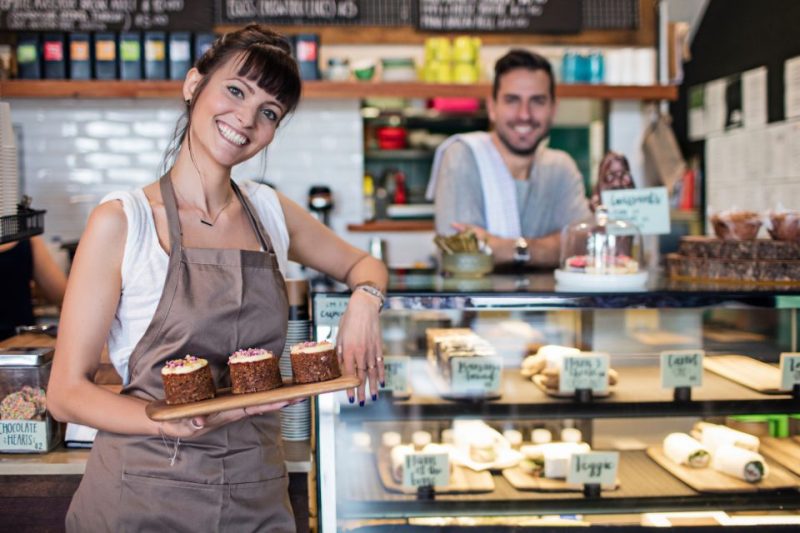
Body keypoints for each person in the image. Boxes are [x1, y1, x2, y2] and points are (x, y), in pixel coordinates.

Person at [48, 25, 387, 532]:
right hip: (143, 496)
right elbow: (65, 393)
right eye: (235, 90)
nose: (246, 119)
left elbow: (366, 265)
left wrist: (364, 300)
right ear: (193, 86)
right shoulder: (124, 220)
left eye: (269, 112)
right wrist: (166, 418)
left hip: (256, 495)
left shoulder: (270, 211)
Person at [427, 49, 591, 268]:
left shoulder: (561, 168)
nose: (524, 114)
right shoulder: (462, 156)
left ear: (553, 109)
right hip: (475, 302)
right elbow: (461, 257)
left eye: (537, 101)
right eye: (512, 100)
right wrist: (550, 247)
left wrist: (504, 248)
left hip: (554, 303)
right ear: (492, 107)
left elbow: (583, 246)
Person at [0, 235, 67, 340]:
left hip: (20, 342)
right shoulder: (27, 236)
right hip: (21, 342)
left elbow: (61, 296)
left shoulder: (27, 236)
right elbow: (60, 295)